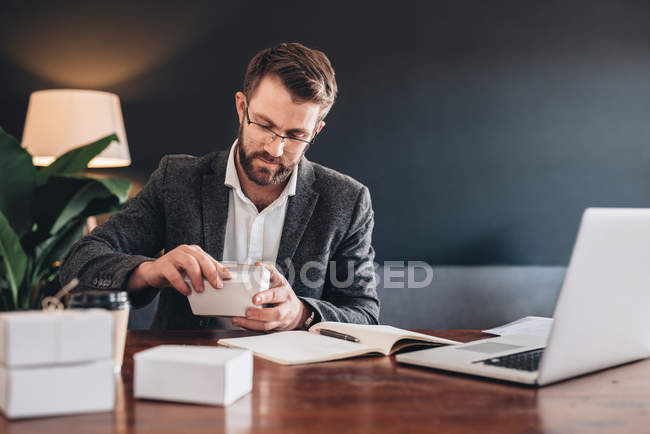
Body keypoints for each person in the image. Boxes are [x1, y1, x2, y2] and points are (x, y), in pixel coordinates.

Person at [60, 42, 379, 331]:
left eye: (295, 135)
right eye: (265, 125)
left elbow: (365, 315)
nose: (275, 149)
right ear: (242, 108)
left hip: (293, 382)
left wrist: (301, 314)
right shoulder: (177, 180)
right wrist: (151, 270)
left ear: (316, 130)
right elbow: (79, 263)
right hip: (187, 370)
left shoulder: (347, 201)